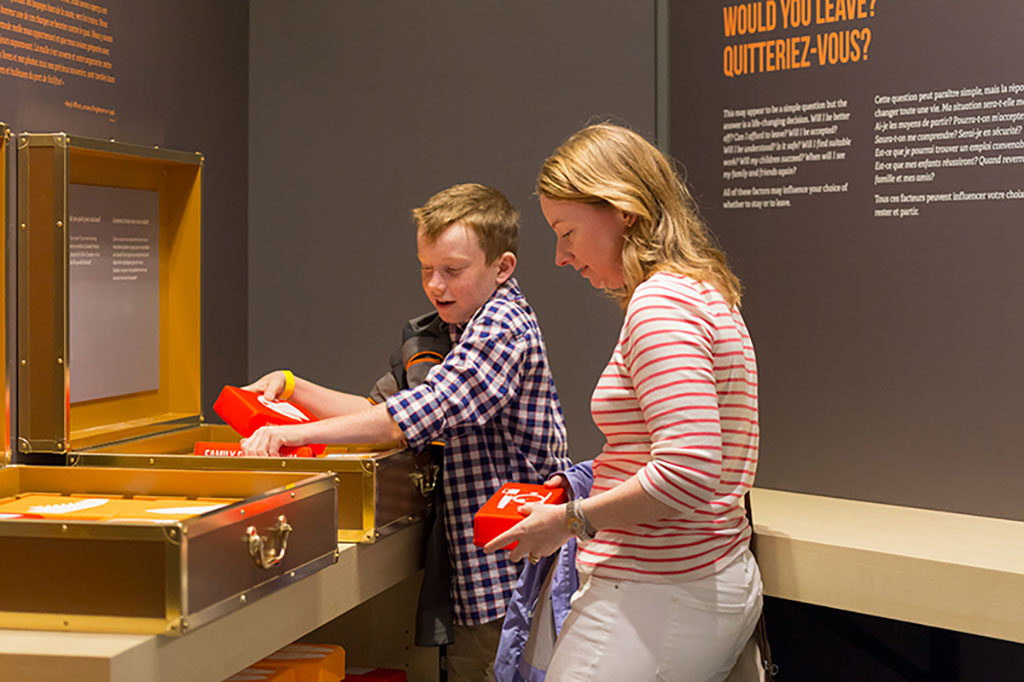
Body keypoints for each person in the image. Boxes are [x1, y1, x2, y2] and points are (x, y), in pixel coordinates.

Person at [241, 183, 572, 681]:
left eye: (452, 271)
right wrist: (293, 387)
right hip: (482, 571)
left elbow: (413, 415)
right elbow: (382, 409)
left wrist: (293, 436)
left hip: (506, 578)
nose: (435, 286)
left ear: (502, 267)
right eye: (426, 269)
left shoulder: (501, 326)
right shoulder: (460, 323)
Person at [484, 124, 762, 682]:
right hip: (687, 586)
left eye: (567, 231)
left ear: (623, 211)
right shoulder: (700, 289)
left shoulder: (661, 304)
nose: (561, 257)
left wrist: (568, 520)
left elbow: (686, 470)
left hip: (656, 597)